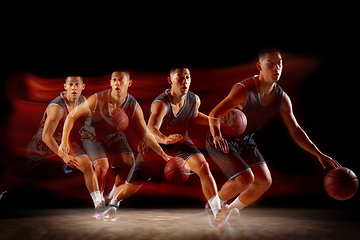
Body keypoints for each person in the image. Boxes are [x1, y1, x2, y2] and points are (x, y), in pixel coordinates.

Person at [206, 48, 341, 215]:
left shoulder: (282, 98)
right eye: (271, 64)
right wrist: (217, 135)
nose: (277, 68)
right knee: (245, 180)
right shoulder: (244, 89)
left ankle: (228, 211)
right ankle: (213, 206)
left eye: (279, 63)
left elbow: (296, 130)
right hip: (221, 138)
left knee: (264, 181)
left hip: (245, 139)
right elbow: (214, 114)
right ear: (259, 66)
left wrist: (319, 154)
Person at [111, 64, 223, 226]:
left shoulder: (194, 99)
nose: (184, 81)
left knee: (203, 167)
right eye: (180, 77)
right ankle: (114, 201)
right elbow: (152, 129)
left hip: (180, 142)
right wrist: (164, 139)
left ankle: (217, 210)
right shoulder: (161, 103)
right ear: (170, 80)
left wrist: (213, 121)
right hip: (155, 145)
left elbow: (194, 114)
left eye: (187, 77)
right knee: (131, 187)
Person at [59, 70, 174, 220]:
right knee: (102, 166)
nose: (117, 83)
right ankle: (98, 204)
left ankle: (110, 199)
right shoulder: (98, 98)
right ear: (110, 82)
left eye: (121, 80)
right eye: (114, 80)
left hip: (114, 136)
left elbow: (146, 134)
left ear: (129, 83)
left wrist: (164, 155)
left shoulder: (133, 104)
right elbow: (71, 116)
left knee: (129, 162)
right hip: (93, 135)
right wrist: (64, 140)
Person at [0, 76, 102, 212]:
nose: (74, 87)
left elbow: (89, 119)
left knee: (88, 166)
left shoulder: (82, 101)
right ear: (65, 86)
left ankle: (99, 205)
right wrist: (64, 157)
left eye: (77, 84)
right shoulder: (57, 107)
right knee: (20, 176)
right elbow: (46, 137)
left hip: (67, 144)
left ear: (83, 87)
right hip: (43, 148)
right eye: (70, 84)